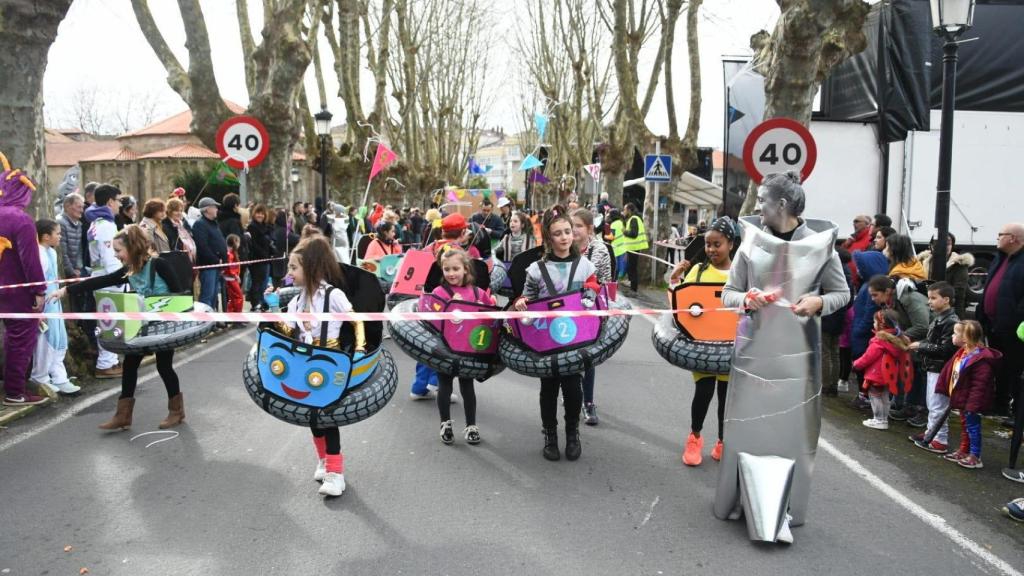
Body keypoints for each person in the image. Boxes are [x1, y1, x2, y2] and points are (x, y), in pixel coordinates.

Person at [715, 171, 850, 540]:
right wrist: (746, 298)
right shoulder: (750, 241)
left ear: (783, 204)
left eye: (763, 200)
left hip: (799, 359)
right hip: (753, 354)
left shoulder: (822, 245)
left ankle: (786, 508)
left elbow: (842, 294)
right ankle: (736, 500)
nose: (757, 206)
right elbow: (728, 293)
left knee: (791, 434)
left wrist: (819, 302)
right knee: (746, 429)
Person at [53, 225, 188, 429]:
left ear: (132, 248)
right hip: (141, 325)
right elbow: (103, 280)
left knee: (164, 366)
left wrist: (159, 307)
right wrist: (66, 290)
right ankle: (123, 416)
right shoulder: (129, 269)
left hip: (163, 325)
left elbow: (179, 294)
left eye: (118, 250)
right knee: (130, 365)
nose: (115, 255)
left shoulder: (159, 264)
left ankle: (176, 411)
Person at [274, 237, 363, 497]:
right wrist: (273, 308)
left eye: (293, 267)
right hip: (304, 363)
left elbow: (356, 321)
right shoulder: (297, 300)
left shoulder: (333, 295)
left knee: (328, 417)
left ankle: (336, 474)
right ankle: (323, 461)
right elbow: (288, 330)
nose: (289, 273)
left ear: (311, 267)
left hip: (329, 361)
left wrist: (359, 349)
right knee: (313, 416)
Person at [513, 206, 600, 462]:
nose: (564, 237)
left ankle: (572, 434)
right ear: (549, 239)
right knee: (549, 389)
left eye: (567, 232)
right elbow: (527, 296)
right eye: (557, 233)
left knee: (573, 388)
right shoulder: (536, 269)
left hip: (575, 338)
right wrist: (522, 302)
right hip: (546, 339)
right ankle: (550, 436)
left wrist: (591, 291)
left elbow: (594, 287)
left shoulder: (585, 265)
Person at [669, 217, 736, 466]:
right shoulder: (697, 271)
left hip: (731, 349)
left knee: (726, 400)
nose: (711, 249)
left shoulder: (741, 275)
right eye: (708, 244)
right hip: (703, 348)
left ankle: (723, 441)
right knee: (704, 392)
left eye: (717, 244)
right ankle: (695, 437)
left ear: (730, 244)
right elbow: (679, 305)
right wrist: (674, 280)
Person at [432, 249, 494, 445]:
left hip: (468, 350)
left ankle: (471, 426)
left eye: (456, 269)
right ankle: (445, 424)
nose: (451, 273)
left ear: (465, 269)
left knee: (467, 386)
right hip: (445, 349)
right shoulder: (439, 293)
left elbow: (490, 317)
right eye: (447, 269)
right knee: (444, 385)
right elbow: (432, 320)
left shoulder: (478, 293)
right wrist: (450, 305)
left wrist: (486, 304)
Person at [0, 154, 48, 406]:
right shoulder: (21, 220)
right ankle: (15, 392)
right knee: (20, 341)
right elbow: (30, 261)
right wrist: (39, 290)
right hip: (17, 294)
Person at [935, 320, 1001, 469]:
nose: (952, 336)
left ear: (965, 338)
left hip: (972, 402)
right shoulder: (963, 353)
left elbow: (979, 386)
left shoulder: (981, 360)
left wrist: (972, 405)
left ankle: (975, 456)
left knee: (973, 427)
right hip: (963, 398)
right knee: (965, 426)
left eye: (955, 333)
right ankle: (964, 450)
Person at [865, 274, 929, 421]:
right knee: (910, 372)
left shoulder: (910, 299)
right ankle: (906, 405)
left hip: (925, 342)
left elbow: (923, 325)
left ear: (887, 291)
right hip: (911, 342)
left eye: (875, 295)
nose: (873, 299)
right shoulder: (891, 302)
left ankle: (921, 411)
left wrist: (897, 336)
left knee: (921, 375)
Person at [977, 223, 1024, 421]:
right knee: (999, 367)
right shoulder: (1000, 258)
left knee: (1015, 369)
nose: (997, 237)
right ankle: (1000, 405)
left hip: (1013, 328)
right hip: (993, 323)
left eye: (1000, 234)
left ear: (1013, 238)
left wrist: (1014, 319)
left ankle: (1018, 413)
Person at [572, 208, 612, 426]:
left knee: (587, 355)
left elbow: (590, 275)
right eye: (571, 226)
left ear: (589, 229)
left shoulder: (598, 249)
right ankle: (572, 394)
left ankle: (588, 402)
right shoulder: (566, 246)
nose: (573, 230)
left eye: (578, 226)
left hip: (593, 305)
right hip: (569, 306)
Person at [907, 281, 959, 450]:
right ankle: (931, 432)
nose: (929, 301)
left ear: (946, 299)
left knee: (938, 405)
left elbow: (945, 350)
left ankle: (940, 440)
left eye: (933, 298)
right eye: (929, 298)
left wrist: (920, 346)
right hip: (933, 367)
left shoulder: (950, 322)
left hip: (941, 369)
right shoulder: (940, 318)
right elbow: (934, 341)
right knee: (932, 403)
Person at [30, 220, 80, 395]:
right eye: (57, 233)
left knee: (59, 341)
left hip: (54, 304)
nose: (60, 236)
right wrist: (38, 311)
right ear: (46, 236)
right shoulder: (38, 253)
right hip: (45, 306)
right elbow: (36, 284)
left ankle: (59, 377)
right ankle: (40, 377)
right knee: (46, 342)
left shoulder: (50, 251)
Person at [86, 184, 125, 379]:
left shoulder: (97, 222)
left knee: (107, 320)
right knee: (110, 321)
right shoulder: (106, 226)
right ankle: (106, 363)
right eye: (118, 201)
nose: (120, 205)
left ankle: (111, 360)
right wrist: (120, 278)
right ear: (110, 202)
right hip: (108, 279)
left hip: (100, 277)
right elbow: (110, 258)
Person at [852, 310, 913, 430]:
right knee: (885, 397)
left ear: (881, 325)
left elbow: (868, 357)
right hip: (888, 375)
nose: (873, 324)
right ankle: (884, 419)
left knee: (874, 396)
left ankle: (879, 419)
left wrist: (856, 364)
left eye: (875, 322)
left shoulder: (879, 341)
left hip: (876, 375)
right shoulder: (896, 340)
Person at [848, 251, 891, 406]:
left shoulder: (871, 289)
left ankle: (864, 395)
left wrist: (858, 331)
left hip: (863, 335)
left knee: (864, 365)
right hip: (859, 331)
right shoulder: (867, 285)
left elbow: (869, 315)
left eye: (861, 267)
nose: (858, 270)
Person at [821, 247, 854, 396]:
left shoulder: (833, 272)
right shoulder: (848, 275)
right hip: (840, 317)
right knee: (835, 352)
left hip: (827, 315)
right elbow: (849, 300)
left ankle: (825, 384)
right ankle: (834, 385)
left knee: (825, 352)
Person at [918, 233, 972, 319]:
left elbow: (959, 292)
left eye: (948, 243)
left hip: (950, 310)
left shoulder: (959, 264)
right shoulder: (925, 261)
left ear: (952, 245)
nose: (943, 246)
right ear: (931, 245)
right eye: (937, 243)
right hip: (927, 307)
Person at [192, 197, 228, 310]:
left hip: (216, 266)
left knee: (213, 296)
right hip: (208, 266)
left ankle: (211, 317)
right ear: (207, 209)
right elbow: (202, 246)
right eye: (214, 207)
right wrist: (216, 260)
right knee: (207, 296)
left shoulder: (213, 224)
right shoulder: (200, 224)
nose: (217, 209)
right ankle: (205, 318)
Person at [246, 204, 274, 311]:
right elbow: (253, 244)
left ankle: (262, 302)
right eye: (258, 213)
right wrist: (263, 254)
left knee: (264, 283)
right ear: (254, 214)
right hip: (257, 259)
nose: (260, 215)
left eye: (262, 214)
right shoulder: (252, 227)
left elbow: (269, 241)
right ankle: (255, 303)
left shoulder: (266, 227)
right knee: (256, 283)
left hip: (266, 259)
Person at [621, 202, 648, 293]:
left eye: (624, 209)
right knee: (631, 267)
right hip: (632, 247)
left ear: (629, 210)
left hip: (634, 247)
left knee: (632, 268)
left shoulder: (634, 219)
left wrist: (624, 232)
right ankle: (632, 286)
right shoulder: (634, 218)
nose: (623, 211)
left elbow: (633, 234)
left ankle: (633, 289)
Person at [163, 198, 196, 262]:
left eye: (181, 211)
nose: (179, 213)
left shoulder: (183, 223)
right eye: (176, 211)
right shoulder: (165, 226)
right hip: (175, 260)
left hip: (189, 259)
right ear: (169, 211)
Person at [271, 209, 298, 288]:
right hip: (284, 264)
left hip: (276, 264)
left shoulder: (275, 229)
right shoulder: (284, 231)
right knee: (286, 284)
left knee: (277, 284)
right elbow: (296, 239)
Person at [604, 210, 627, 280]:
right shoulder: (620, 222)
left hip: (616, 248)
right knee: (621, 266)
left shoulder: (613, 224)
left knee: (615, 267)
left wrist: (604, 236)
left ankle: (614, 281)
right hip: (623, 247)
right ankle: (619, 279)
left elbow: (612, 237)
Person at [224, 234, 244, 313]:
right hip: (231, 279)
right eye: (238, 242)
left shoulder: (232, 253)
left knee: (233, 298)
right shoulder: (230, 254)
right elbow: (230, 268)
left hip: (231, 278)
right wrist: (236, 276)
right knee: (239, 297)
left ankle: (231, 313)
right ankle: (237, 314)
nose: (239, 244)